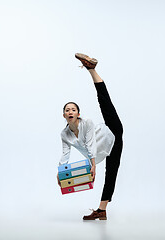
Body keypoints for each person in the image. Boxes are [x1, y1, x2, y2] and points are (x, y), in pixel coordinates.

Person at [57, 53, 124, 220]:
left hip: (111, 132)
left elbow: (90, 142)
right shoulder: (65, 134)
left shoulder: (86, 122)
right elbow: (65, 154)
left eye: (73, 109)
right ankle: (102, 210)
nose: (70, 111)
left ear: (78, 113)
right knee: (111, 174)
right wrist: (60, 171)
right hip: (106, 149)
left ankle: (91, 69)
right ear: (64, 115)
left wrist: (92, 164)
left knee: (104, 100)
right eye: (67, 110)